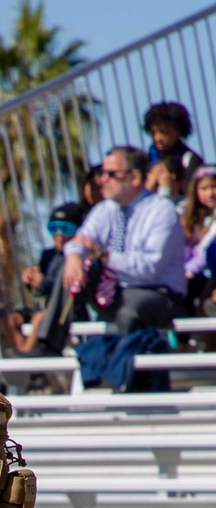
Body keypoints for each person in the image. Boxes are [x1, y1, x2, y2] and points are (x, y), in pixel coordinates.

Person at [37, 145, 187, 354]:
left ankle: (132, 379)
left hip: (157, 294)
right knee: (68, 269)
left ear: (134, 178)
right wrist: (73, 257)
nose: (102, 179)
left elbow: (149, 268)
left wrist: (104, 255)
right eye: (102, 174)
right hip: (114, 291)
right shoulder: (105, 209)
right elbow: (80, 241)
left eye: (110, 174)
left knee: (129, 313)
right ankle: (49, 348)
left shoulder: (162, 211)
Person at [5, 202, 85, 354]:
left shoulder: (79, 257)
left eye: (66, 229)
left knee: (40, 318)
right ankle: (23, 354)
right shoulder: (48, 255)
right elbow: (40, 292)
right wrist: (31, 281)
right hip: (45, 307)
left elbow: (69, 289)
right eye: (54, 229)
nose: (59, 235)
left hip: (67, 310)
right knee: (11, 320)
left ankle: (32, 359)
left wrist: (44, 282)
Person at [143, 102, 203, 183]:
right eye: (153, 133)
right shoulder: (145, 160)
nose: (157, 138)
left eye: (164, 132)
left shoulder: (189, 160)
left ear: (179, 131)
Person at [182, 166, 216, 308]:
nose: (210, 193)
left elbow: (208, 250)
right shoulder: (192, 218)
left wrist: (190, 270)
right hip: (191, 274)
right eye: (203, 189)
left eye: (213, 187)